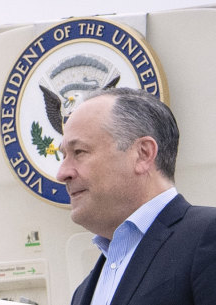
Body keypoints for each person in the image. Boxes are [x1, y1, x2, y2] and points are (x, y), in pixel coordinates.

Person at [57, 87, 216, 305]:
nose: (62, 173)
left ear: (143, 154)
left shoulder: (207, 236)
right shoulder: (83, 292)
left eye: (79, 152)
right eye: (63, 155)